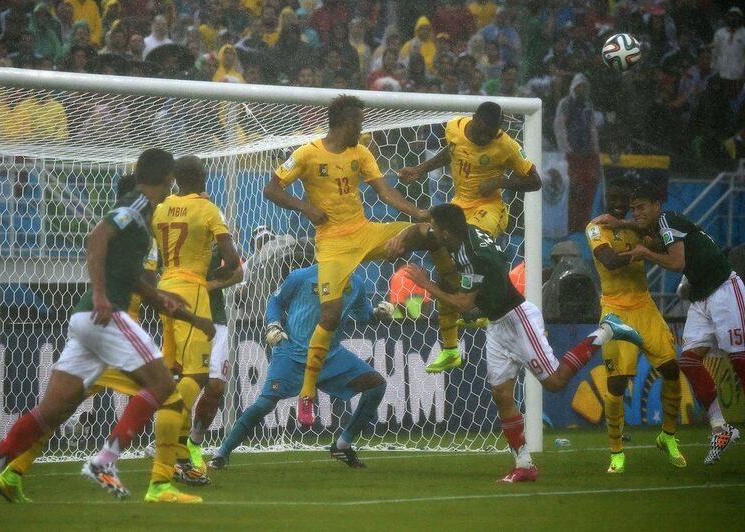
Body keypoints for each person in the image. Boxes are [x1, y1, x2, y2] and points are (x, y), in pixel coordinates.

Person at [0, 149, 215, 519]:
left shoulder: (142, 215)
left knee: (52, 410)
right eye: (171, 177)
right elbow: (96, 237)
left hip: (87, 321)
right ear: (166, 177)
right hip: (104, 315)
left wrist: (159, 297)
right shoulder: (139, 202)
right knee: (163, 385)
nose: (173, 183)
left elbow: (126, 273)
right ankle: (105, 460)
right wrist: (99, 293)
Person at [401, 203, 643, 482]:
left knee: (554, 383)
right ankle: (524, 464)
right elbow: (493, 262)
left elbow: (463, 304)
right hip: (496, 324)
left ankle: (605, 331)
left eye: (434, 226)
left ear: (445, 232)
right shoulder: (467, 237)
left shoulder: (474, 254)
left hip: (518, 319)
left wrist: (425, 283)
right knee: (501, 395)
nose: (431, 230)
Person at [263, 95, 448, 426]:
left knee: (427, 232)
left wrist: (418, 214)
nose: (363, 129)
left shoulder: (361, 152)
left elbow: (384, 192)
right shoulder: (306, 153)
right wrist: (306, 207)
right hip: (332, 244)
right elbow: (271, 190)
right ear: (345, 124)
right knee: (330, 314)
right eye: (359, 124)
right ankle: (307, 393)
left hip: (364, 232)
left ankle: (453, 298)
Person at [605, 182, 744, 465]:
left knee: (740, 361)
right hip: (702, 297)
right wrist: (619, 222)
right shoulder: (656, 228)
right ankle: (720, 428)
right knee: (690, 362)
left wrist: (645, 253)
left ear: (657, 205)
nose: (637, 213)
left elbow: (678, 263)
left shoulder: (668, 219)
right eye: (634, 209)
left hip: (724, 290)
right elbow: (652, 238)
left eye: (642, 207)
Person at [398, 102, 540, 373]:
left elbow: (535, 181)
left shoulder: (506, 146)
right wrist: (419, 169)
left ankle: (475, 304)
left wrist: (500, 182)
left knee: (472, 249)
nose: (487, 138)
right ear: (474, 119)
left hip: (490, 209)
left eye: (493, 133)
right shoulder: (454, 127)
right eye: (484, 131)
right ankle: (451, 348)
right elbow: (450, 153)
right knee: (444, 265)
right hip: (459, 207)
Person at [208, 265, 392, 469]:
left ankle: (343, 443)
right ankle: (221, 453)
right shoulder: (301, 277)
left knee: (376, 385)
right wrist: (273, 324)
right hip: (292, 354)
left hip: (330, 356)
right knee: (265, 404)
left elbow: (363, 314)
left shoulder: (355, 282)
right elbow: (276, 301)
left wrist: (377, 314)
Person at [151, 155, 241, 485]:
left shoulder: (159, 209)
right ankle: (173, 451)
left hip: (164, 289)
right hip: (193, 291)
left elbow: (152, 254)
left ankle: (181, 455)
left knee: (176, 370)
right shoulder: (208, 210)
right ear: (203, 178)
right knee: (198, 374)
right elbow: (232, 260)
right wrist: (218, 271)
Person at [585, 179, 684, 473]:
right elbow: (610, 261)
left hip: (644, 305)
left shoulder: (630, 225)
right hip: (615, 309)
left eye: (624, 201)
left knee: (671, 369)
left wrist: (633, 229)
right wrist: (640, 250)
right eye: (613, 199)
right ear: (605, 200)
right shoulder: (595, 227)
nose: (618, 204)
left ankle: (667, 435)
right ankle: (616, 452)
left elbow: (660, 244)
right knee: (616, 384)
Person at [187, 239, 244, 466]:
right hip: (185, 319)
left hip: (216, 321)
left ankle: (195, 440)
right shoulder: (172, 230)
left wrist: (209, 286)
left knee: (217, 385)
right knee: (187, 382)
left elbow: (238, 273)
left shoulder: (214, 238)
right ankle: (171, 439)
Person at [553, 73, 603, 234]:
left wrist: (595, 147)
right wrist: (565, 148)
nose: (581, 89)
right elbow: (559, 125)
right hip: (572, 154)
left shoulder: (588, 103)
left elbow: (592, 127)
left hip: (587, 153)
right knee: (573, 189)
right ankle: (571, 224)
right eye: (579, 86)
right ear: (573, 87)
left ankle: (584, 224)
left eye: (584, 86)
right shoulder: (566, 103)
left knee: (588, 189)